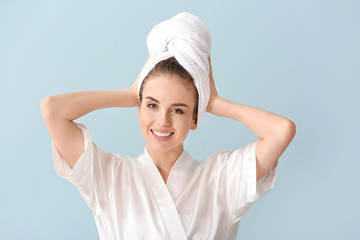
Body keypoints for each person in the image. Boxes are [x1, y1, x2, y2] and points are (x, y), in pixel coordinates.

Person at [41, 13, 295, 240]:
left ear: (194, 119)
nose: (163, 121)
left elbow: (281, 130)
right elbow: (53, 110)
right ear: (139, 109)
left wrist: (215, 102)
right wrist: (130, 94)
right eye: (152, 105)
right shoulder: (109, 177)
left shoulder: (220, 181)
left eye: (178, 110)